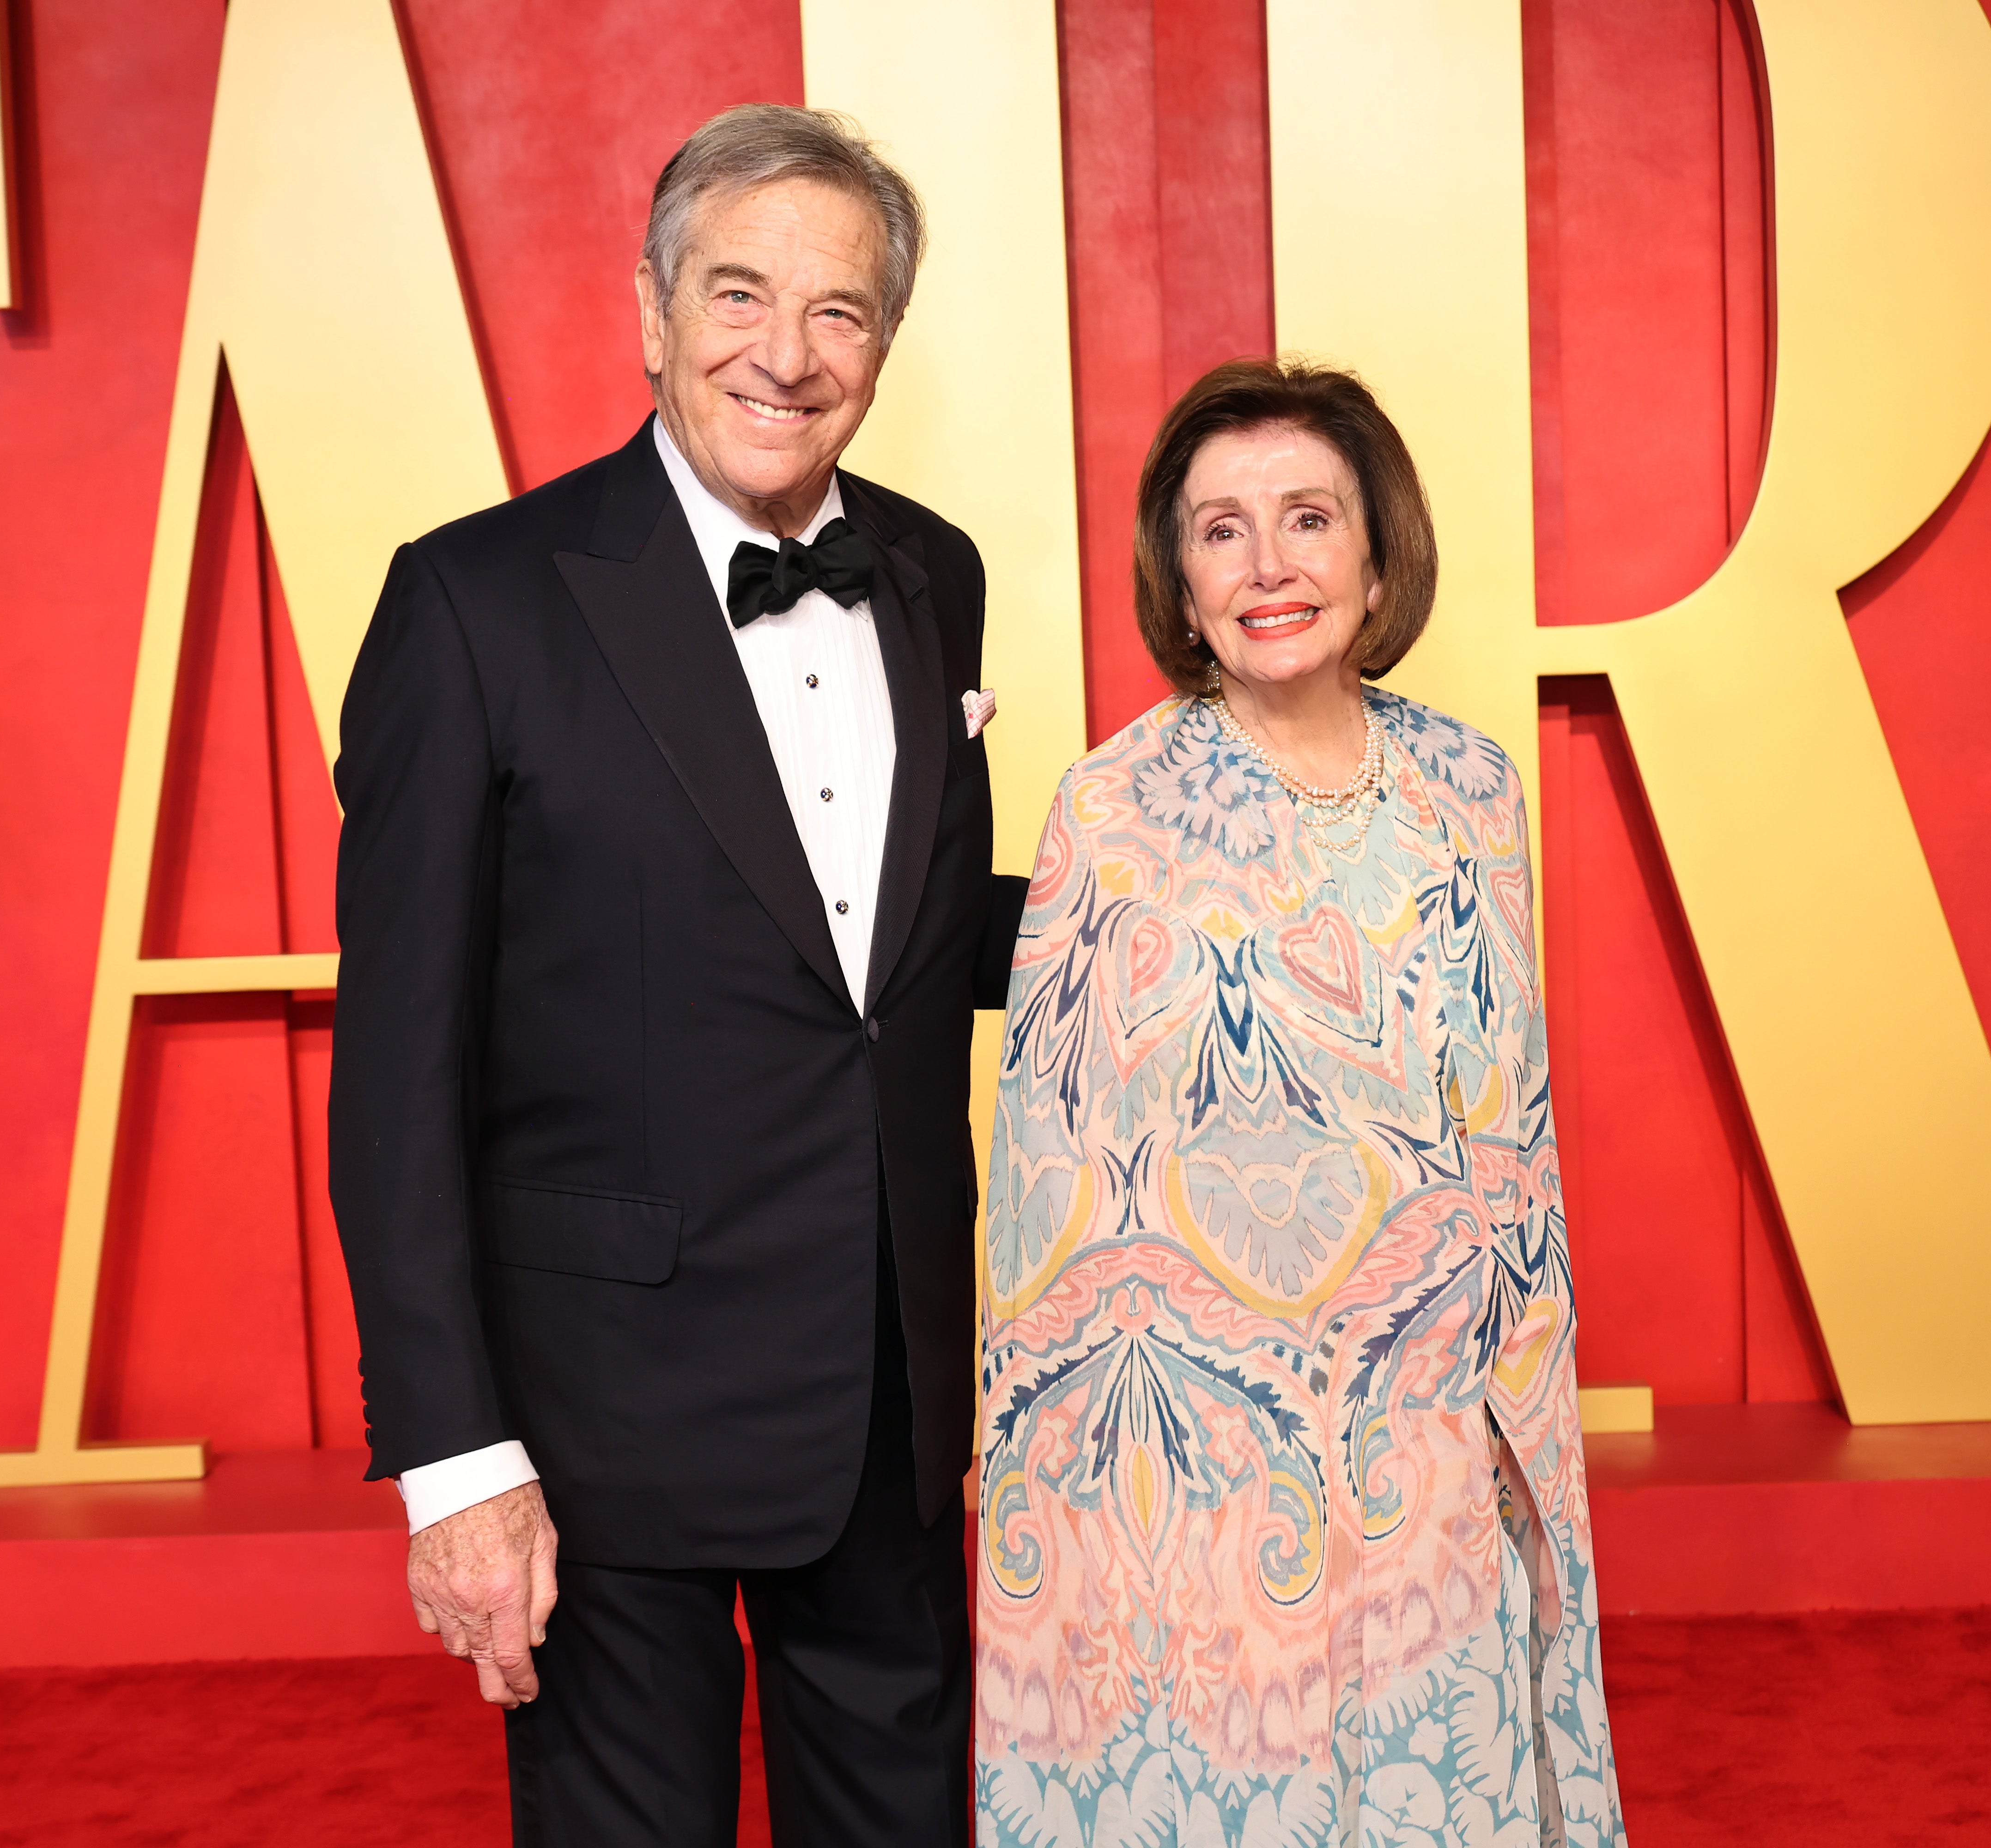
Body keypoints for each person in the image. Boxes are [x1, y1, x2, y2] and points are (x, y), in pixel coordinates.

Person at [331, 105, 1023, 1846]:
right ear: (650, 312)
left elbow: (900, 946)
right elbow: (396, 1070)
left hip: (886, 1387)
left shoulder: (935, 572)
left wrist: (1223, 883)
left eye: (841, 313)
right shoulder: (472, 603)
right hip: (600, 1411)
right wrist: (457, 1464)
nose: (785, 357)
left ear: (887, 344)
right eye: (738, 294)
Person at [975, 359, 1628, 1843]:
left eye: (1307, 519)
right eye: (1221, 531)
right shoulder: (1114, 808)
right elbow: (1059, 1184)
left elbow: (1509, 1127)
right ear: (1178, 576)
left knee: (1436, 1787)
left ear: (1378, 551)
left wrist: (1511, 1405)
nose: (1269, 567)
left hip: (1442, 1428)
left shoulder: (1473, 784)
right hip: (1215, 1459)